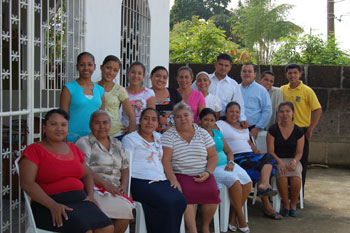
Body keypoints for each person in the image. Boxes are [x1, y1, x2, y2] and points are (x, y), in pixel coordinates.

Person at [19, 109, 113, 233]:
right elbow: (27, 183)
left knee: (107, 228)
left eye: (63, 125)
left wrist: (90, 195)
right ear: (44, 127)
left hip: (80, 201)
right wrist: (53, 205)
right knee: (85, 231)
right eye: (53, 124)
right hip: (49, 205)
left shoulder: (73, 148)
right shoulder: (34, 150)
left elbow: (87, 174)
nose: (59, 128)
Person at [121, 108, 187, 233]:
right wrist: (127, 188)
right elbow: (125, 165)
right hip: (139, 181)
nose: (149, 122)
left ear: (157, 124)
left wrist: (174, 180)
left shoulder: (160, 138)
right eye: (146, 119)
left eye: (153, 120)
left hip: (160, 180)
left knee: (180, 200)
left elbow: (165, 161)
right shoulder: (130, 139)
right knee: (167, 202)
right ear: (140, 121)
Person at [216, 102, 282, 220]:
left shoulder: (244, 127)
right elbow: (216, 139)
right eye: (231, 111)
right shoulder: (220, 124)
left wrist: (255, 150)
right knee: (261, 166)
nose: (234, 114)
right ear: (225, 113)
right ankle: (267, 204)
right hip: (236, 157)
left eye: (237, 112)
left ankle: (264, 184)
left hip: (250, 155)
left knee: (267, 157)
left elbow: (248, 142)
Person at [162, 103, 220, 233]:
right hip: (181, 174)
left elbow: (213, 156)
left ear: (192, 117)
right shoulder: (169, 135)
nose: (183, 119)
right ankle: (193, 231)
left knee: (213, 194)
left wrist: (208, 172)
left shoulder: (203, 133)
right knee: (185, 196)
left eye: (186, 115)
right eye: (178, 117)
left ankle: (205, 225)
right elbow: (165, 160)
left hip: (203, 173)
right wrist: (173, 180)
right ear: (173, 119)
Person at [75, 110, 134, 233]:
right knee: (105, 220)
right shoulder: (84, 142)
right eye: (97, 123)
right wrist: (106, 185)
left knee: (125, 213)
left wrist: (123, 186)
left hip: (115, 190)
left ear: (110, 125)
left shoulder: (117, 143)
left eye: (105, 123)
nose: (102, 127)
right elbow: (84, 170)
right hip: (94, 188)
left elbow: (125, 167)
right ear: (90, 125)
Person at [198, 108, 252, 233]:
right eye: (205, 120)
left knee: (247, 181)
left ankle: (233, 217)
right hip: (212, 168)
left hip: (227, 164)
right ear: (199, 121)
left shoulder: (217, 133)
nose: (208, 123)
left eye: (212, 120)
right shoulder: (197, 135)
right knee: (235, 181)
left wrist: (231, 162)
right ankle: (241, 218)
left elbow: (228, 151)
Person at [280, 63, 322, 190]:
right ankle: (284, 192)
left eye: (295, 73)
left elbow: (318, 110)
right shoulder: (282, 89)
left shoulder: (307, 91)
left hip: (301, 131)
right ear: (286, 75)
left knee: (300, 162)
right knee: (284, 160)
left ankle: (298, 193)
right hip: (284, 130)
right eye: (290, 73)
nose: (292, 75)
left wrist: (310, 129)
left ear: (300, 74)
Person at [267, 102, 304, 217]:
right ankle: (285, 204)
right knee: (282, 175)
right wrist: (279, 162)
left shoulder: (298, 131)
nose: (285, 114)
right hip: (278, 159)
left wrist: (294, 161)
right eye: (282, 111)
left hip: (293, 160)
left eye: (288, 111)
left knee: (296, 176)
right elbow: (271, 151)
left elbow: (299, 152)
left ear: (292, 113)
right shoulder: (273, 130)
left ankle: (293, 204)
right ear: (278, 114)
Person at [60, 52, 105, 142]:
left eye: (89, 64)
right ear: (77, 67)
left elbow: (102, 116)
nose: (86, 68)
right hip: (72, 138)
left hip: (94, 139)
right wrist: (63, 139)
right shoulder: (69, 88)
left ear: (94, 66)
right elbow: (62, 116)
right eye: (82, 65)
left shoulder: (100, 90)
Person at [191, 53, 247, 125]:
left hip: (224, 120)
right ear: (215, 64)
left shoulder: (233, 84)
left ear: (230, 67)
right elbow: (190, 94)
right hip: (200, 120)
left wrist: (242, 119)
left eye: (226, 65)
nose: (223, 68)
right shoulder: (204, 80)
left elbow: (239, 103)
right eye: (221, 64)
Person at [97, 55, 136, 137]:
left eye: (115, 70)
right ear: (101, 67)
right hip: (96, 133)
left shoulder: (120, 90)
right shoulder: (92, 87)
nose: (111, 72)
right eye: (108, 68)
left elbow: (131, 115)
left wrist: (130, 135)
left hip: (116, 135)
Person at [239, 62, 272, 139]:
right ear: (241, 73)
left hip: (253, 129)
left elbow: (267, 111)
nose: (246, 73)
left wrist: (257, 128)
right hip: (236, 128)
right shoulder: (236, 88)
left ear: (255, 74)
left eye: (249, 71)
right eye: (244, 71)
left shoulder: (261, 90)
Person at [121, 61, 156, 128]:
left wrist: (136, 128)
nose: (136, 76)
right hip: (124, 131)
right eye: (133, 72)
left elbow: (151, 115)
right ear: (128, 74)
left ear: (143, 76)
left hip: (143, 130)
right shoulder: (122, 91)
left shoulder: (149, 93)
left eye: (139, 73)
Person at [150, 66, 182, 133]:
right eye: (158, 76)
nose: (161, 80)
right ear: (151, 76)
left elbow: (183, 112)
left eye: (164, 77)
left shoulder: (174, 93)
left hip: (172, 136)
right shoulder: (146, 94)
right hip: (150, 136)